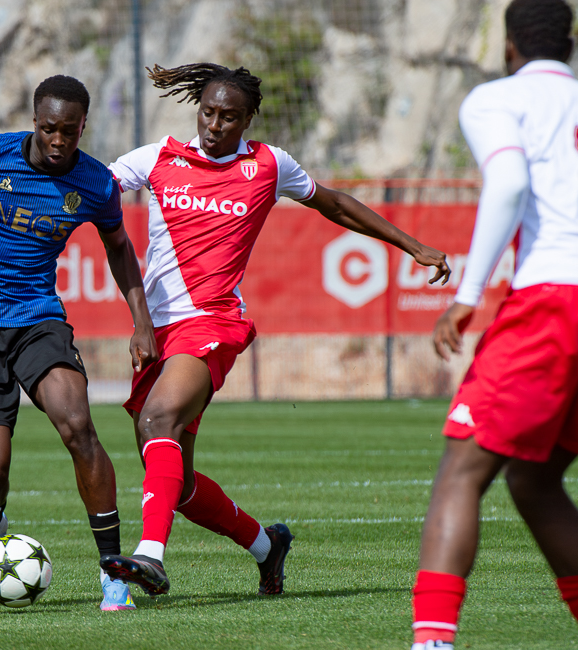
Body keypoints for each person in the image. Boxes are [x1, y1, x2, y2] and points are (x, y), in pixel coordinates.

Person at [100, 62, 451, 597]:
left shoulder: (268, 164)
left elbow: (335, 204)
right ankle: (268, 548)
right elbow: (90, 188)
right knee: (181, 486)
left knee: (158, 419)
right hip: (158, 330)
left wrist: (413, 246)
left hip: (213, 321)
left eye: (229, 117)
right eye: (208, 113)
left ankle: (151, 557)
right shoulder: (156, 158)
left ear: (248, 120)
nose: (215, 125)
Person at [417, 1, 578, 648]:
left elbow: (507, 184)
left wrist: (467, 294)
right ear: (571, 45)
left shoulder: (496, 99)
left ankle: (431, 641)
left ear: (509, 46)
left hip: (556, 297)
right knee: (535, 479)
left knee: (461, 471)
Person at [0, 74, 158, 611]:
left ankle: (113, 573)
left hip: (38, 320)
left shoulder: (95, 183)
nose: (58, 140)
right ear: (34, 121)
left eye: (69, 131)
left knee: (79, 426)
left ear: (84, 127)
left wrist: (142, 321)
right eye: (49, 128)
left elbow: (119, 245)